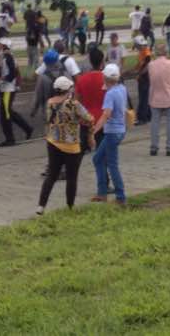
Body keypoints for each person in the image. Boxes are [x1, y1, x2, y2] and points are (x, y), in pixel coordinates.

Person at [36, 76, 95, 215]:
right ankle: (70, 206)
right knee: (71, 177)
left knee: (51, 175)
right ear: (68, 89)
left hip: (53, 143)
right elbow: (89, 118)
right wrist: (90, 133)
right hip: (71, 145)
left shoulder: (49, 102)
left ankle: (41, 206)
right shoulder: (73, 104)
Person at [91, 64, 127, 205]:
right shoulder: (121, 88)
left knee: (111, 164)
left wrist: (94, 130)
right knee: (98, 159)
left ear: (105, 77)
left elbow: (106, 114)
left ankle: (120, 196)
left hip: (112, 131)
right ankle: (103, 192)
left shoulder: (110, 93)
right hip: (120, 130)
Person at [0, 42, 33, 145]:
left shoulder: (8, 57)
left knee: (6, 114)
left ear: (3, 45)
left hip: (8, 89)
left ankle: (10, 139)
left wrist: (4, 79)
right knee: (8, 113)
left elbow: (12, 73)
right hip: (5, 89)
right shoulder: (3, 56)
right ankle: (27, 128)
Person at [148, 42, 170, 156]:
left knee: (155, 123)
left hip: (155, 96)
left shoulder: (151, 65)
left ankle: (154, 147)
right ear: (166, 52)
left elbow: (151, 79)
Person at [75, 46, 106, 155]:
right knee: (103, 155)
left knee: (80, 152)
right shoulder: (107, 80)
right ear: (102, 61)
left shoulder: (81, 80)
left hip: (86, 120)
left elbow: (77, 101)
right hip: (103, 120)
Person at [132, 36, 153, 125]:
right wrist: (131, 70)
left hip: (145, 78)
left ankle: (142, 118)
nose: (135, 47)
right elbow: (139, 65)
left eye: (136, 45)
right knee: (145, 97)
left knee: (143, 98)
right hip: (142, 78)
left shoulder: (147, 53)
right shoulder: (142, 52)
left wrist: (139, 74)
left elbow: (147, 66)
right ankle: (148, 116)